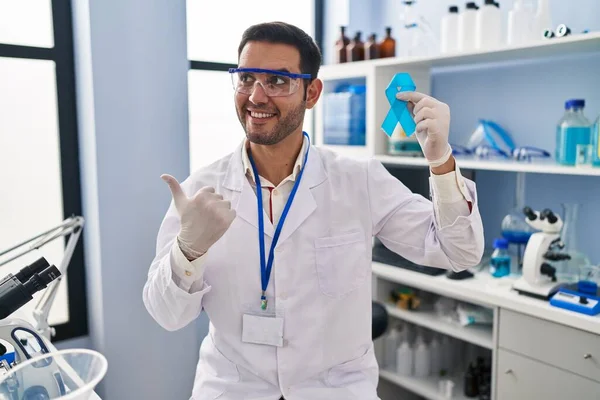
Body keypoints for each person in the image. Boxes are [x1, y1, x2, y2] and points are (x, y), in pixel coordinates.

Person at [143, 21, 484, 400]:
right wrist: (188, 250)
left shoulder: (359, 180)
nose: (256, 96)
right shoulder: (200, 191)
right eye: (246, 78)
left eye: (277, 81)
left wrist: (440, 160)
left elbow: (460, 251)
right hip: (234, 390)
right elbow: (167, 315)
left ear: (312, 92)